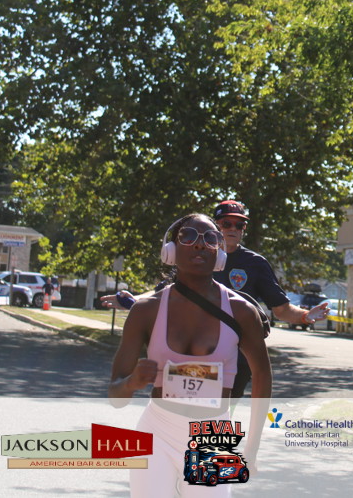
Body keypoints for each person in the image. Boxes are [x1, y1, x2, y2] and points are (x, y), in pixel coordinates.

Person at [109, 213, 271, 497]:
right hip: (157, 432)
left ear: (220, 254)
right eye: (188, 236)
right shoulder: (146, 310)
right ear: (170, 250)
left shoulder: (241, 311)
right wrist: (133, 382)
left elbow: (262, 375)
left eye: (210, 238)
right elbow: (115, 396)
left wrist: (252, 447)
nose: (200, 244)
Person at [103, 200, 329, 399]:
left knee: (217, 417)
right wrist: (132, 300)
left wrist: (305, 316)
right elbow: (162, 295)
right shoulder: (190, 258)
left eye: (239, 225)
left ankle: (215, 432)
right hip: (183, 358)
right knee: (179, 410)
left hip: (232, 361)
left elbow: (281, 308)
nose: (233, 229)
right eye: (226, 223)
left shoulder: (255, 264)